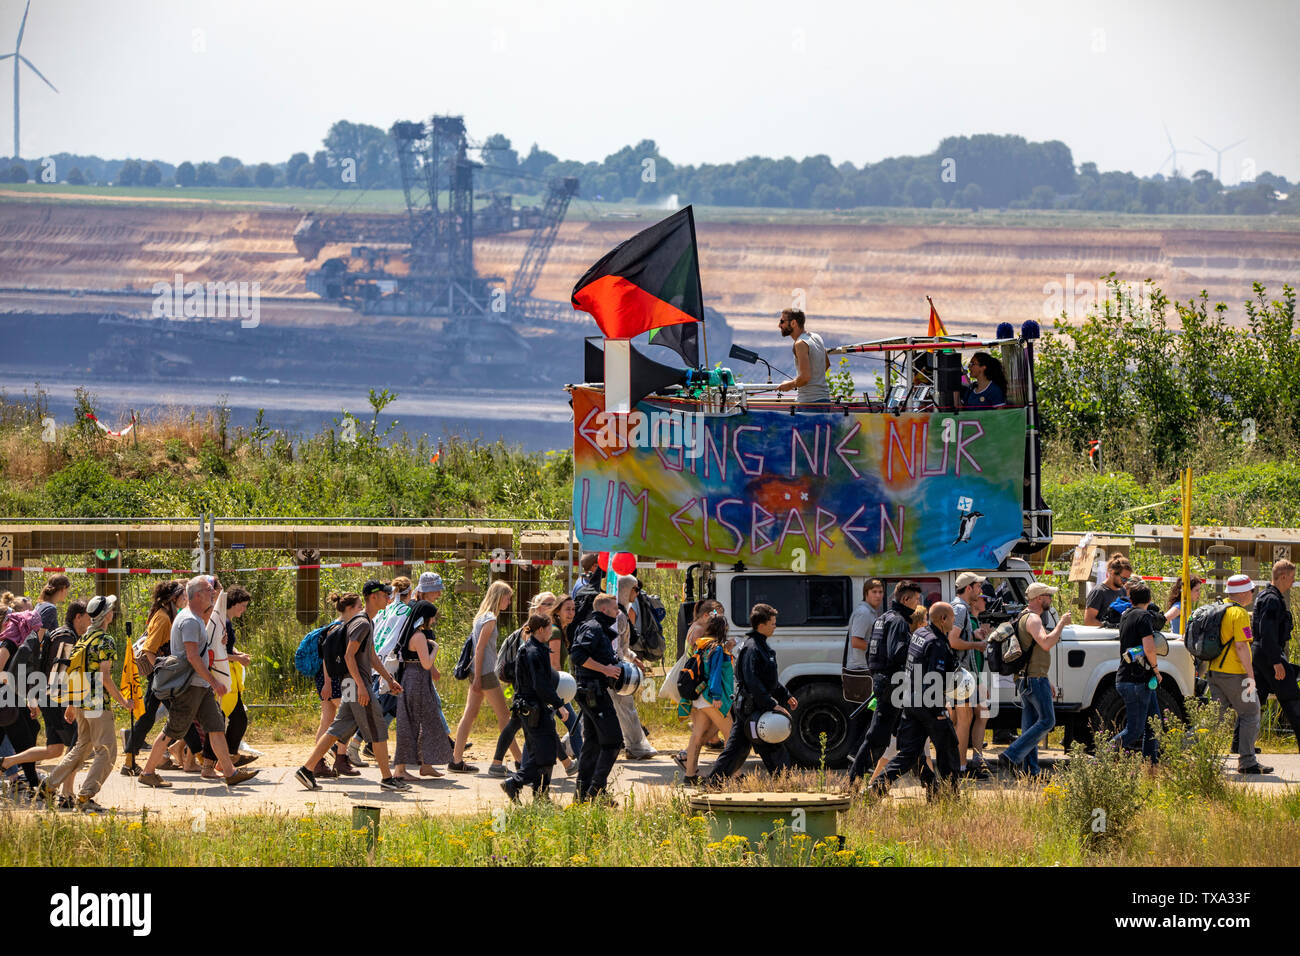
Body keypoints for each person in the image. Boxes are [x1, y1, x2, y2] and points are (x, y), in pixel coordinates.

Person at [138, 576, 258, 789]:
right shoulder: (190, 621)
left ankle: (230, 772)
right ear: (197, 595)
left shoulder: (194, 618)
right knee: (172, 730)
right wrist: (214, 681)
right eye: (208, 590)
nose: (213, 593)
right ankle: (147, 772)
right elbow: (193, 657)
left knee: (216, 725)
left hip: (199, 686)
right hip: (190, 686)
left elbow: (200, 651)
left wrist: (217, 644)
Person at [296, 591, 410, 792]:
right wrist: (362, 687)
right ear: (373, 597)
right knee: (377, 729)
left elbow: (372, 657)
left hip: (351, 685)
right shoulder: (362, 623)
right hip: (357, 685)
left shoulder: (367, 622)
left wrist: (389, 680)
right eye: (385, 595)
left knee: (337, 729)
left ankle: (307, 769)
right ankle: (387, 778)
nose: (388, 599)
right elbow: (349, 656)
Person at [37, 596, 132, 812]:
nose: (113, 611)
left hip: (81, 700)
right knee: (106, 752)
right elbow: (105, 677)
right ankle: (85, 796)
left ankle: (50, 785)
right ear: (106, 615)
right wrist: (124, 701)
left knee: (82, 747)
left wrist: (72, 704)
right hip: (97, 702)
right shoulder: (105, 640)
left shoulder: (83, 639)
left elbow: (75, 672)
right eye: (111, 609)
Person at [873, 602, 961, 800]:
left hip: (910, 702)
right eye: (952, 617)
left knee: (908, 755)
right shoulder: (937, 644)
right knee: (949, 749)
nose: (954, 622)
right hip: (928, 705)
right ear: (943, 619)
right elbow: (933, 679)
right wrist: (939, 711)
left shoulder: (920, 634)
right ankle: (950, 797)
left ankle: (875, 788)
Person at [705, 603, 796, 784]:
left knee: (763, 745)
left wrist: (786, 695)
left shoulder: (763, 647)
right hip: (751, 710)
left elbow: (769, 680)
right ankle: (713, 784)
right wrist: (772, 704)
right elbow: (753, 681)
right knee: (747, 748)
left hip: (757, 709)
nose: (775, 626)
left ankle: (784, 782)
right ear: (761, 625)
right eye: (772, 623)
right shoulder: (752, 648)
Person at [1, 604, 81, 806]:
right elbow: (56, 675)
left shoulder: (40, 640)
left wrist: (32, 698)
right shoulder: (59, 638)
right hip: (47, 701)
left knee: (53, 749)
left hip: (39, 699)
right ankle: (62, 792)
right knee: (76, 746)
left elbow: (37, 672)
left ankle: (9, 763)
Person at [847, 581, 921, 787]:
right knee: (878, 738)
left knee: (906, 734)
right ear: (905, 599)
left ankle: (926, 779)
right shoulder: (898, 621)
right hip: (893, 684)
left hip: (883, 681)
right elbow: (897, 652)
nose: (918, 603)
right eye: (916, 599)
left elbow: (873, 651)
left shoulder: (883, 618)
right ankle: (854, 781)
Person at [998, 583, 1070, 776]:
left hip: (1028, 678)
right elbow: (1045, 643)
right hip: (1034, 679)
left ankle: (1031, 771)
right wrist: (1061, 623)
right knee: (1047, 721)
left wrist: (1048, 680)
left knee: (1030, 726)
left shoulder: (1023, 616)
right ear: (1039, 598)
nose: (1051, 599)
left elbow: (1034, 652)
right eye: (1049, 596)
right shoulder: (1034, 619)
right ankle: (1011, 755)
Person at [449, 581, 519, 774]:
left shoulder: (481, 617)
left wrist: (475, 675)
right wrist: (479, 676)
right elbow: (479, 648)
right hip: (485, 673)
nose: (509, 601)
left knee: (469, 714)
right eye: (507, 597)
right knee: (505, 717)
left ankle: (456, 760)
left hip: (479, 672)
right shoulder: (490, 619)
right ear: (499, 597)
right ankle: (520, 762)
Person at [391, 575, 455, 781]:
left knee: (427, 722)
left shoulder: (417, 633)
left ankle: (426, 764)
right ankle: (400, 769)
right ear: (425, 617)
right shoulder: (418, 636)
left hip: (418, 679)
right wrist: (435, 647)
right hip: (415, 678)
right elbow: (426, 663)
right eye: (433, 617)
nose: (434, 620)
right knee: (409, 723)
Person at [1207, 574, 1271, 775]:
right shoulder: (1240, 614)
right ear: (1242, 592)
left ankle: (1181, 750)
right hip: (1235, 674)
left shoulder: (1218, 608)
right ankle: (1247, 762)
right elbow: (1242, 646)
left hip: (1214, 671)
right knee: (1251, 712)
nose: (1252, 594)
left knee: (1212, 719)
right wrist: (1250, 676)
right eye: (1251, 590)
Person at [121, 580, 187, 775]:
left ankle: (131, 760)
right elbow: (150, 649)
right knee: (179, 714)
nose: (185, 598)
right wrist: (161, 672)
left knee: (153, 716)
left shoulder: (167, 615)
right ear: (173, 598)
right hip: (160, 675)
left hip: (160, 675)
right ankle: (200, 756)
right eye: (183, 595)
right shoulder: (163, 618)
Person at [490, 591, 558, 776]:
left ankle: (518, 766)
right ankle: (525, 769)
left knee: (521, 724)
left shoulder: (541, 628)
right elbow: (531, 665)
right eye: (548, 603)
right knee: (532, 726)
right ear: (537, 607)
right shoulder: (533, 631)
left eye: (554, 602)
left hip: (525, 687)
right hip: (526, 688)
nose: (553, 606)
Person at [502, 612, 566, 802]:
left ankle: (541, 797)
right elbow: (541, 685)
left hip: (531, 708)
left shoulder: (533, 648)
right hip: (534, 708)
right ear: (541, 629)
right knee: (545, 754)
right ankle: (514, 783)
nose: (551, 632)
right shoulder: (534, 652)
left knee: (539, 753)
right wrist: (559, 705)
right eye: (549, 629)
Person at [570, 592, 624, 802]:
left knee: (592, 742)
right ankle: (596, 790)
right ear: (604, 609)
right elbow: (578, 655)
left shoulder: (600, 628)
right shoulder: (592, 627)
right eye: (614, 608)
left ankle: (582, 795)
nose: (617, 611)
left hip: (594, 689)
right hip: (592, 691)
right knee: (613, 740)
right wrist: (606, 670)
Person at [675, 615, 734, 785]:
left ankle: (690, 774)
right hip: (711, 697)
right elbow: (715, 674)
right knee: (731, 733)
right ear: (723, 630)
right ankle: (734, 774)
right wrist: (716, 696)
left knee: (697, 736)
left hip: (699, 697)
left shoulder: (701, 646)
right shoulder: (717, 649)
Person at [1252, 559, 1300, 753]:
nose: (1292, 582)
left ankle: (1240, 743)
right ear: (1282, 577)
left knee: (1256, 700)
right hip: (1269, 654)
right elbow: (1268, 632)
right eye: (1291, 578)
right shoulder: (1272, 600)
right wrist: (1276, 662)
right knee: (1293, 698)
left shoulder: (1264, 595)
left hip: (1260, 653)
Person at [1112, 583, 1163, 762]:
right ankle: (1104, 754)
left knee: (1154, 723)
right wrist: (1156, 670)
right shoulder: (1144, 616)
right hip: (1137, 681)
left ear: (1131, 599)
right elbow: (1149, 647)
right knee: (1135, 730)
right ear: (1149, 600)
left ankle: (1151, 764)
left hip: (1127, 678)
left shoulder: (1125, 615)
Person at [949, 573, 991, 777]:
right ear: (968, 588)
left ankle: (961, 765)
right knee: (963, 722)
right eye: (978, 587)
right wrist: (976, 644)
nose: (980, 591)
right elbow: (952, 641)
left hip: (960, 675)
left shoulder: (959, 608)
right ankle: (961, 767)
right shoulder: (959, 609)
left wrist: (973, 635)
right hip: (960, 675)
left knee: (961, 721)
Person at [0, 608, 45, 795]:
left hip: (11, 699)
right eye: (37, 626)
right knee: (24, 740)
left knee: (31, 731)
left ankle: (30, 781)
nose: (40, 631)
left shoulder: (18, 643)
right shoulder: (9, 642)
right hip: (5, 701)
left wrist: (30, 699)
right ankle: (34, 785)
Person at [612, 574, 656, 759]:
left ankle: (569, 746)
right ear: (626, 589)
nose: (637, 594)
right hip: (615, 670)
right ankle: (637, 746)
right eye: (635, 589)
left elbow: (622, 647)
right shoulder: (619, 616)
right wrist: (622, 664)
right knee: (626, 707)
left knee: (605, 710)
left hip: (616, 667)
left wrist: (634, 658)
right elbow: (616, 647)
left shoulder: (621, 613)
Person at [774, 308, 830, 403]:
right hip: (824, 400)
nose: (779, 325)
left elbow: (805, 378)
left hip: (809, 403)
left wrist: (789, 385)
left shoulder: (800, 344)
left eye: (782, 321)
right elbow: (826, 364)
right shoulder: (817, 337)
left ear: (793, 323)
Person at [1084, 554, 1132, 627]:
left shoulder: (1123, 590)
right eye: (1123, 578)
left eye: (1128, 579)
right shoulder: (1099, 592)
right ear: (1112, 573)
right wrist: (1107, 626)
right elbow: (1089, 621)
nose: (1125, 582)